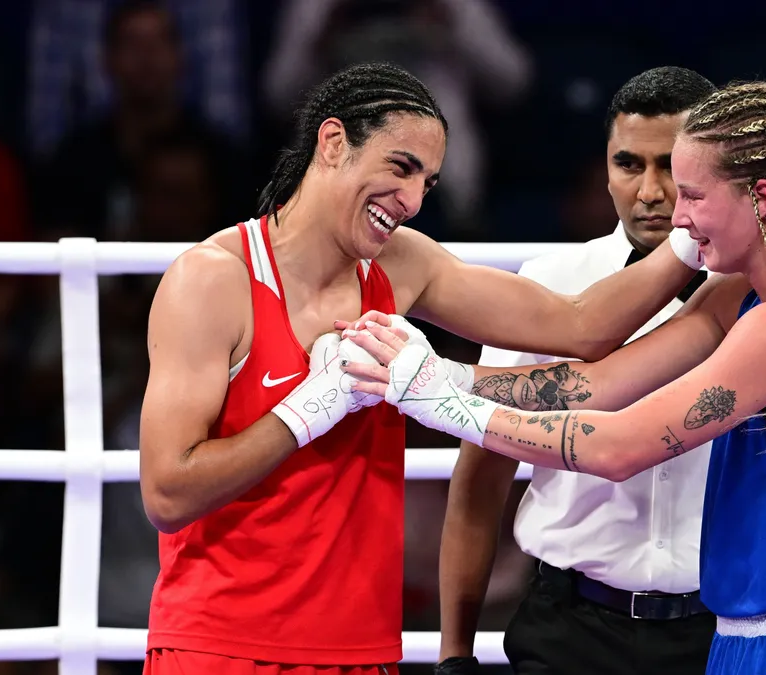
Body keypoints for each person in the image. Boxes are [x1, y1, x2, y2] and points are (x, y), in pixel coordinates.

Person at [138, 61, 704, 675]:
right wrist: (302, 413)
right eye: (401, 167)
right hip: (219, 642)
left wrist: (698, 224)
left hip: (361, 647)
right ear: (333, 143)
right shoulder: (213, 279)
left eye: (427, 184)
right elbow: (168, 492)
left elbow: (581, 325)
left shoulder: (402, 266)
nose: (410, 202)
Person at [344, 81, 766, 674]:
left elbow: (617, 447)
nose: (677, 217)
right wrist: (440, 376)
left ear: (761, 198)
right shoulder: (747, 298)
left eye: (692, 193)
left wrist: (440, 403)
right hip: (738, 636)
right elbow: (597, 384)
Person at [432, 66, 726, 675]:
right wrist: (454, 651)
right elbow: (481, 478)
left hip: (723, 628)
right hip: (569, 629)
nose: (650, 191)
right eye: (629, 164)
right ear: (604, 168)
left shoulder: (761, 295)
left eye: (671, 166)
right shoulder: (549, 284)